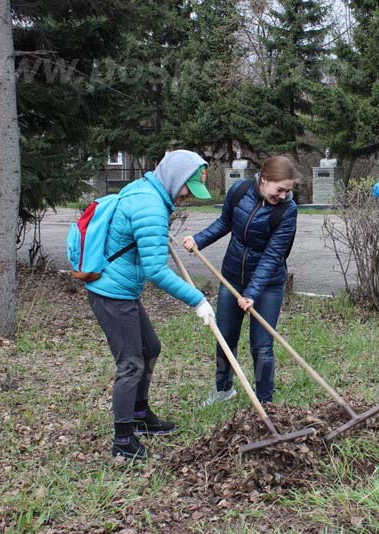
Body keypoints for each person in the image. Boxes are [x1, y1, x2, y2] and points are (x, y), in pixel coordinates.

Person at [86, 149, 216, 460]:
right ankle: (123, 441)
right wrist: (197, 299)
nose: (187, 196)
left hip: (120, 289)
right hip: (112, 293)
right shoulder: (151, 206)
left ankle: (140, 415)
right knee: (131, 363)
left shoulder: (145, 190)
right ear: (174, 179)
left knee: (150, 348)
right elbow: (155, 271)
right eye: (187, 188)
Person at [182, 156, 299, 406]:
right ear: (264, 180)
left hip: (267, 286)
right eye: (279, 189)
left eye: (288, 191)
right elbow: (225, 223)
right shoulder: (240, 190)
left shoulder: (287, 210)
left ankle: (265, 402)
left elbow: (272, 255)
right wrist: (199, 240)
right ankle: (223, 390)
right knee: (225, 337)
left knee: (262, 346)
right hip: (232, 277)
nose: (283, 195)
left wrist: (253, 293)